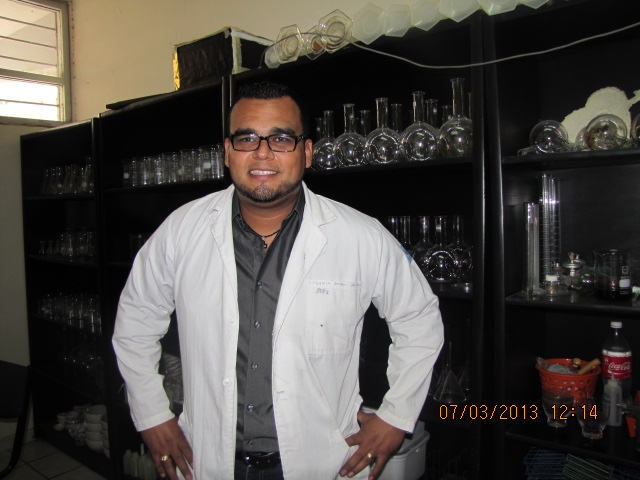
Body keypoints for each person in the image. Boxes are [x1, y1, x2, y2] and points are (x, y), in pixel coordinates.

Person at [112, 80, 443, 480]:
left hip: (321, 462)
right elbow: (135, 321)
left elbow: (419, 319)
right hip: (208, 458)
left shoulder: (360, 235)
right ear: (227, 152)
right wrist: (150, 414)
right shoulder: (181, 231)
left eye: (282, 138)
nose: (262, 152)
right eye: (247, 138)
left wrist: (396, 417)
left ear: (307, 152)